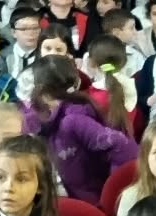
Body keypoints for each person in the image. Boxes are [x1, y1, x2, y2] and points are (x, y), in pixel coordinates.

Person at [23, 55, 136, 207]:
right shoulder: (36, 119)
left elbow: (123, 146)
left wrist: (111, 197)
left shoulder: (73, 120)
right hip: (60, 200)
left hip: (90, 205)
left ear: (40, 90)